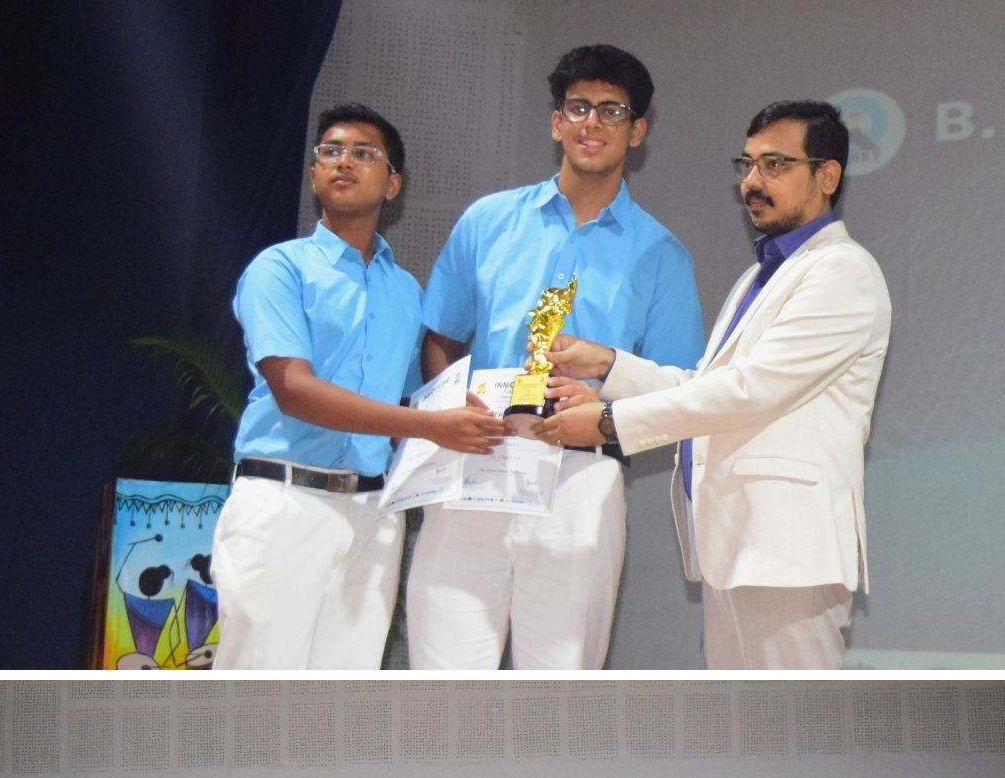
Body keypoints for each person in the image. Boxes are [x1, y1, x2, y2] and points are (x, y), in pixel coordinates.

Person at [538, 100, 892, 670]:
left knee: (793, 720)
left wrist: (606, 424)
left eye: (775, 164)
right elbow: (708, 384)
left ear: (827, 176)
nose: (752, 181)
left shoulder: (842, 269)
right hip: (737, 543)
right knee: (743, 719)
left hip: (788, 550)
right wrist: (607, 367)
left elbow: (751, 390)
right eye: (747, 164)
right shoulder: (761, 274)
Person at [410, 44, 704, 670]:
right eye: (578, 107)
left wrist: (602, 406)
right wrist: (450, 407)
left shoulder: (663, 256)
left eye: (611, 110)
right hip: (478, 460)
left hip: (581, 475)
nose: (592, 123)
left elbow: (680, 392)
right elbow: (441, 337)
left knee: (558, 686)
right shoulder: (488, 221)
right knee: (444, 678)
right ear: (555, 122)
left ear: (637, 131)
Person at [212, 102, 504, 671]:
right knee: (257, 691)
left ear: (393, 184)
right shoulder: (280, 268)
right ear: (314, 174)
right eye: (330, 151)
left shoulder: (406, 291)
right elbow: (294, 389)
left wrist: (481, 419)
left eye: (363, 153)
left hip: (375, 512)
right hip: (284, 500)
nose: (343, 161)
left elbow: (406, 407)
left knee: (345, 696)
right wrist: (429, 424)